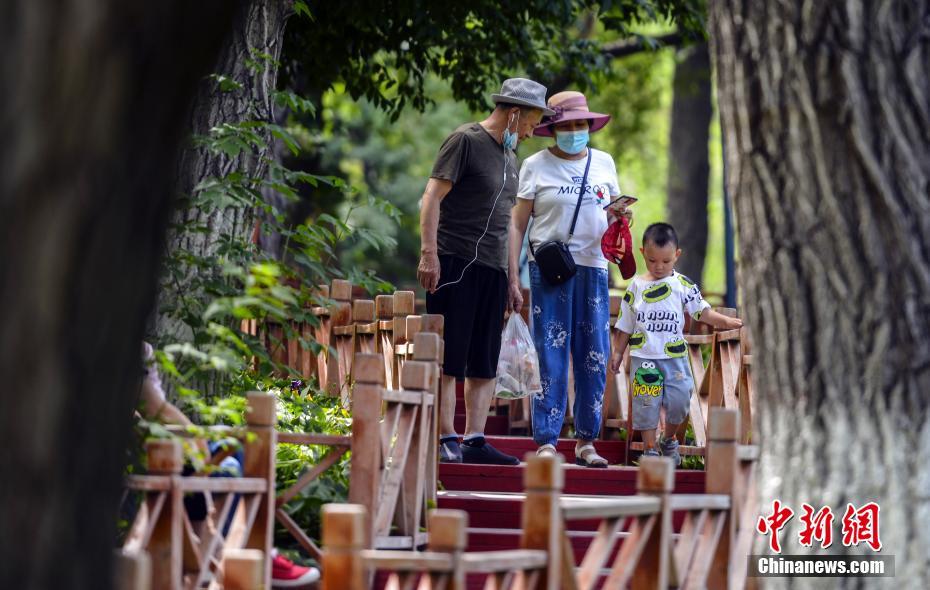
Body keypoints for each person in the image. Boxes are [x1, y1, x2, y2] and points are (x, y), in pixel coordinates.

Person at [417, 78, 553, 465]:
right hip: (455, 262)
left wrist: (513, 278)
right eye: (529, 125)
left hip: (494, 269)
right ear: (513, 114)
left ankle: (474, 439)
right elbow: (431, 198)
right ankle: (447, 437)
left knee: (483, 356)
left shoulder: (510, 159)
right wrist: (430, 254)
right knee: (451, 356)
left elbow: (508, 226)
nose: (530, 133)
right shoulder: (465, 142)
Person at [508, 90, 627, 467]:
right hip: (550, 269)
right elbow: (517, 224)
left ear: (589, 126)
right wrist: (513, 274)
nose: (575, 131)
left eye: (580, 125)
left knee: (594, 355)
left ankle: (586, 441)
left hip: (594, 268)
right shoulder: (535, 166)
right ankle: (547, 440)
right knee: (550, 355)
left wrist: (621, 222)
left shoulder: (604, 163)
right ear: (553, 128)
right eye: (566, 125)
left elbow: (613, 215)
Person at [139, 343, 320, 588]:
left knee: (236, 451)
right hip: (147, 454)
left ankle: (241, 554)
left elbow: (157, 410)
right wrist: (196, 440)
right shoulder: (123, 346)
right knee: (228, 467)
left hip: (161, 444)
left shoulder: (139, 345)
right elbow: (152, 408)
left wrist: (197, 438)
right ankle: (228, 558)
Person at [608, 224, 743, 466]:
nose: (659, 267)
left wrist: (726, 322)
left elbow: (703, 311)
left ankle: (668, 439)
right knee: (646, 404)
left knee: (681, 400)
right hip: (644, 357)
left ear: (677, 255)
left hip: (675, 357)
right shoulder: (636, 287)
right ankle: (649, 448)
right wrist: (618, 353)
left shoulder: (683, 285)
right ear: (642, 253)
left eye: (666, 261)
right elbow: (625, 325)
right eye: (652, 260)